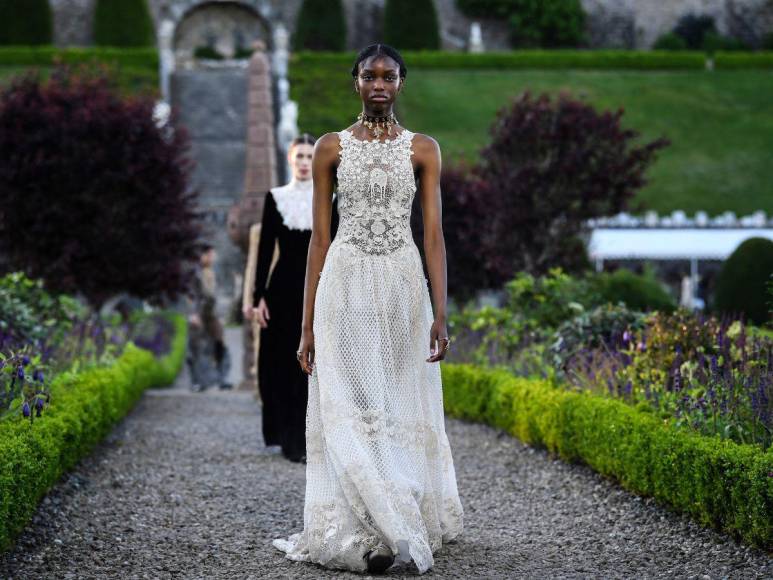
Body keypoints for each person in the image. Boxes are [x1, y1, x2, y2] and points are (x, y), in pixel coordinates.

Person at [272, 44, 463, 574]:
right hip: (345, 282)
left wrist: (439, 313)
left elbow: (433, 235)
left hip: (402, 285)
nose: (379, 85)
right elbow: (318, 239)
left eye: (389, 76)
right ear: (355, 81)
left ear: (402, 83)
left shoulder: (423, 149)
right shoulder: (330, 147)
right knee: (349, 402)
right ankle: (370, 528)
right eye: (369, 76)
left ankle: (400, 517)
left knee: (399, 401)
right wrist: (306, 325)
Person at [247, 134, 337, 463]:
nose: (303, 162)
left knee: (313, 364)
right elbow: (265, 251)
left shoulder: (329, 198)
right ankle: (287, 437)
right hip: (282, 288)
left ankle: (308, 436)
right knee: (280, 363)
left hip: (317, 286)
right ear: (290, 159)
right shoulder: (276, 198)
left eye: (309, 156)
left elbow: (334, 247)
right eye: (298, 156)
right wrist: (259, 297)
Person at [186, 244, 232, 392]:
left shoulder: (212, 272)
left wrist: (222, 315)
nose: (213, 257)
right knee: (197, 349)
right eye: (210, 254)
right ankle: (197, 382)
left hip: (212, 314)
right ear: (203, 255)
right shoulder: (194, 273)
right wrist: (193, 314)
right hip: (199, 314)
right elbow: (191, 295)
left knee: (219, 345)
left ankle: (222, 379)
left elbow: (216, 294)